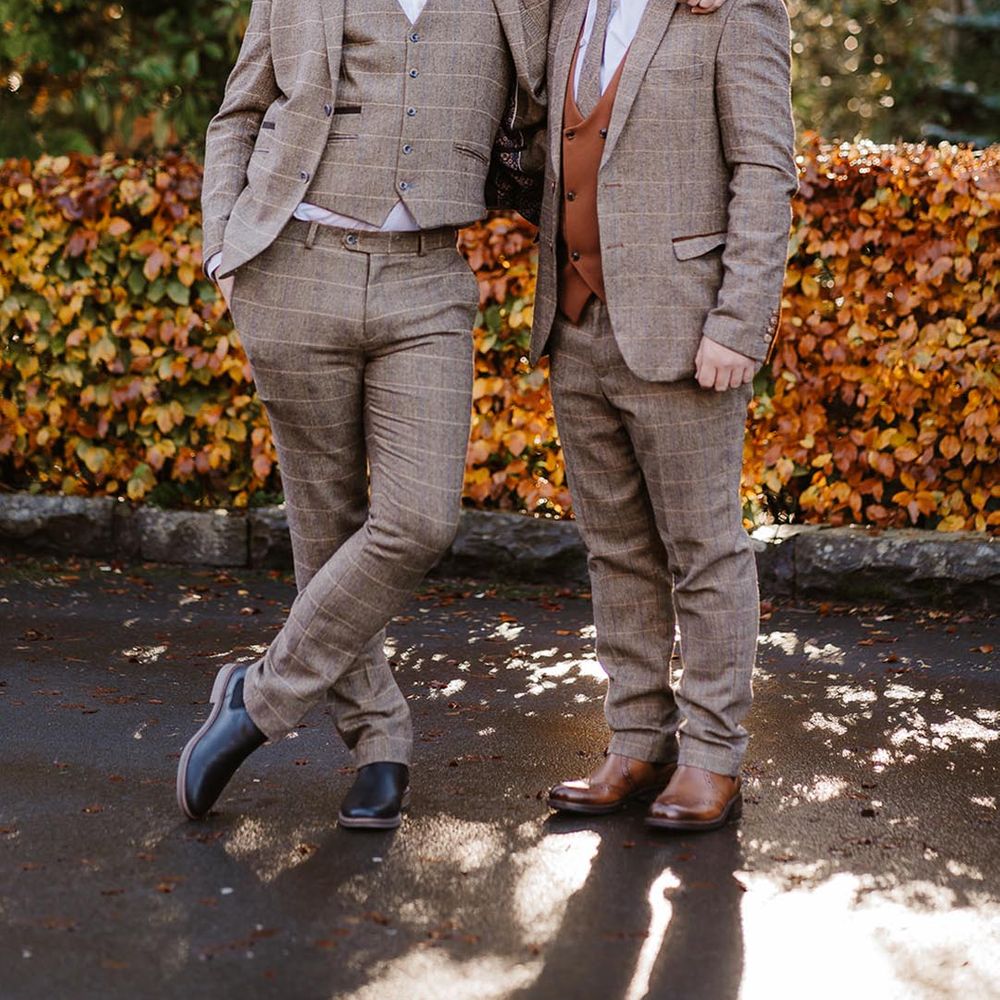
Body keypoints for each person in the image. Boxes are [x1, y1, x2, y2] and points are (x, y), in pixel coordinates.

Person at [176, 0, 546, 829]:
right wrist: (222, 249)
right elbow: (239, 112)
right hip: (292, 268)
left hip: (427, 280)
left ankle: (257, 698)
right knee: (327, 524)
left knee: (420, 521)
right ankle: (379, 739)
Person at [506, 0, 796, 831]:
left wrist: (739, 323)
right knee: (616, 550)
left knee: (704, 551)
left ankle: (712, 757)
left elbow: (766, 171)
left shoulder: (733, 8)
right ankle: (636, 742)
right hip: (574, 323)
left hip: (684, 326)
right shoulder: (567, 8)